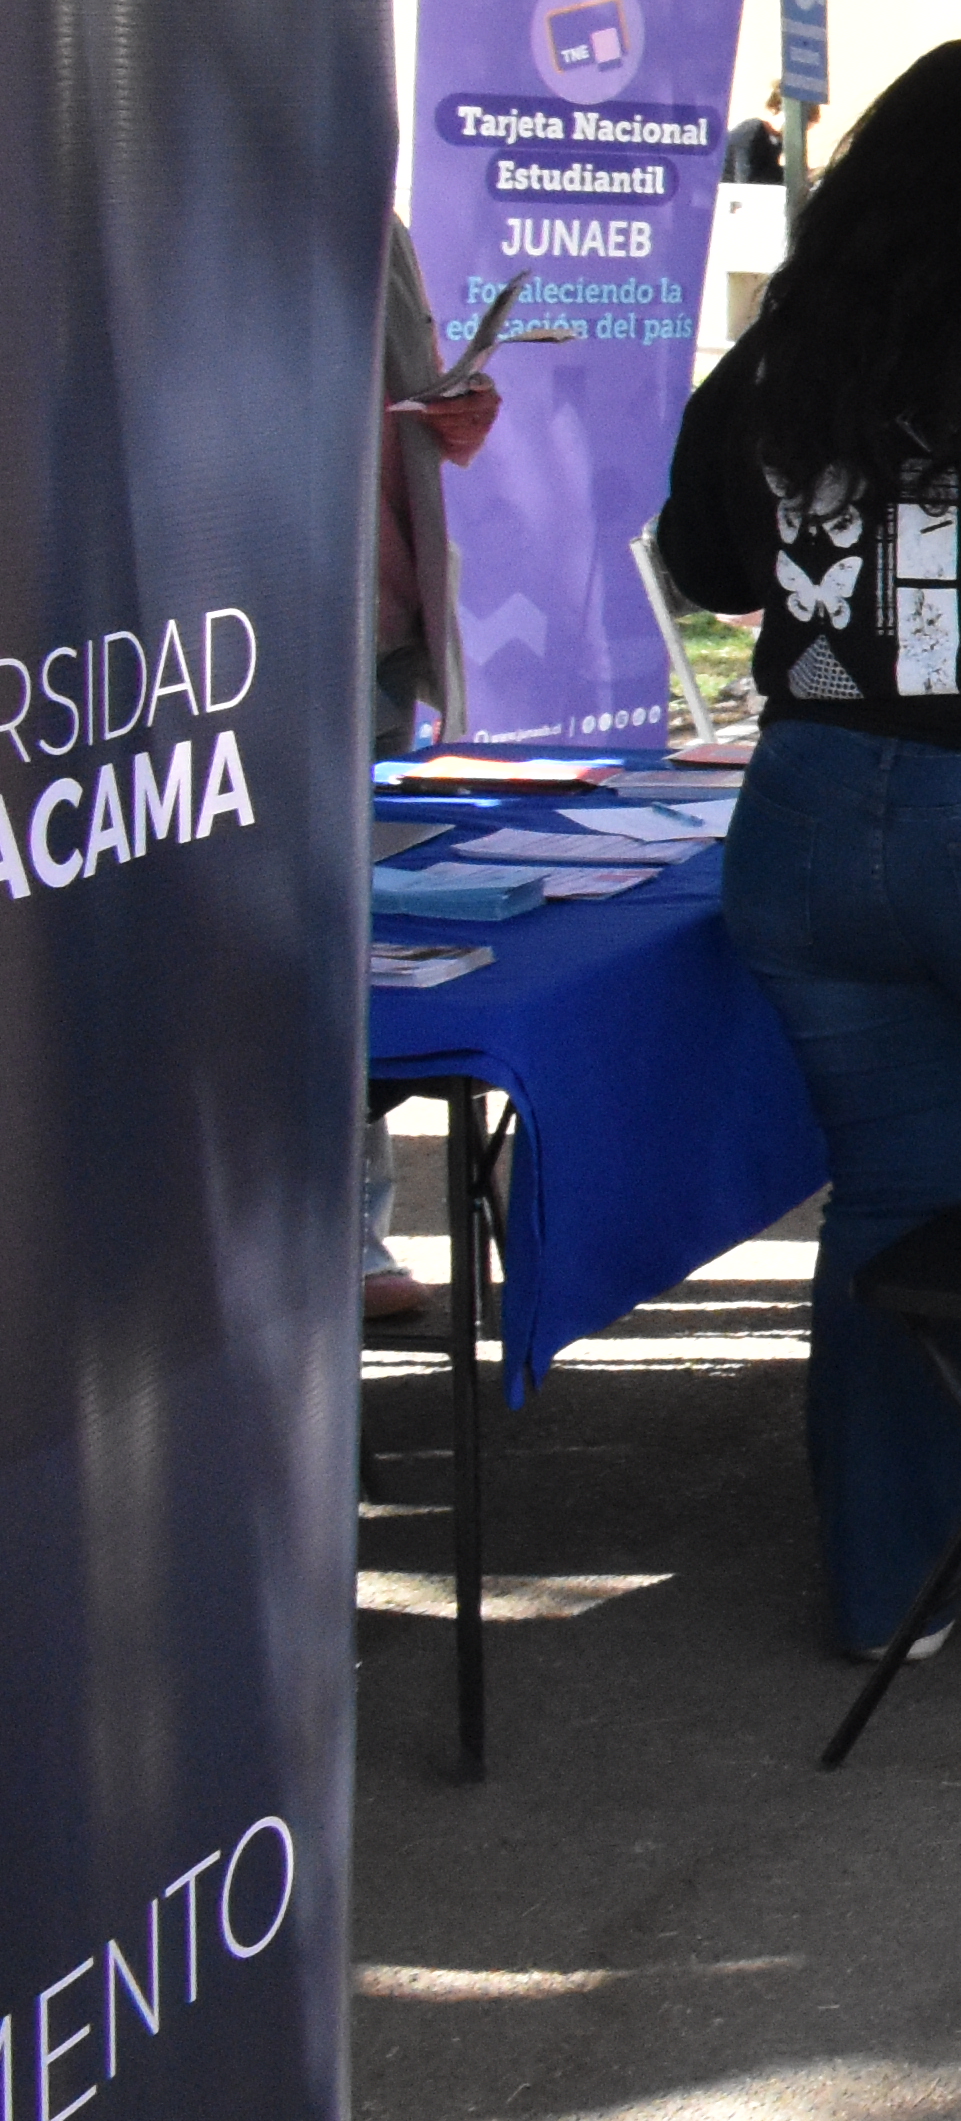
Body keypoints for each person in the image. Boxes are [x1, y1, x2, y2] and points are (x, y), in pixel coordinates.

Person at [650, 42, 961, 1661]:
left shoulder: (797, 353)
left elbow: (703, 563)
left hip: (809, 826)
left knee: (899, 1198)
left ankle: (898, 1592)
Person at [365, 216, 504, 1324]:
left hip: (361, 622)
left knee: (329, 932)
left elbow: (408, 416)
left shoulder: (369, 214)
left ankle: (353, 1227)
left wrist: (455, 419)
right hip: (216, 624)